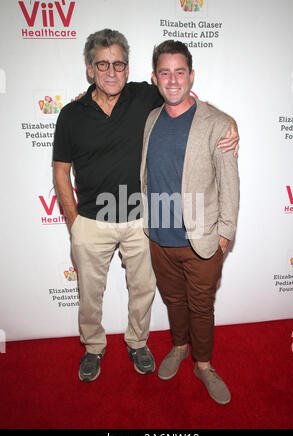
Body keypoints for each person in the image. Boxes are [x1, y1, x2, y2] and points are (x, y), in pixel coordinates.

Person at [53, 29, 239, 383]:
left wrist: (230, 123)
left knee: (143, 291)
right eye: (103, 64)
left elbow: (190, 102)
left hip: (141, 221)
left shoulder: (144, 95)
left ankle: (138, 342)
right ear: (90, 69)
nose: (112, 72)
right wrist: (75, 222)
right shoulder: (71, 114)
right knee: (90, 295)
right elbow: (61, 172)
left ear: (128, 67)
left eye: (119, 64)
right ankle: (93, 347)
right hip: (92, 222)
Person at [140, 40, 240, 405]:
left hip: (201, 241)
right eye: (164, 73)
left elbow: (230, 183)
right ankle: (179, 347)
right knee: (173, 300)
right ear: (154, 78)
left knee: (202, 307)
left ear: (191, 76)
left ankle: (203, 365)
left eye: (179, 72)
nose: (172, 79)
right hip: (158, 237)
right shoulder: (151, 119)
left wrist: (225, 234)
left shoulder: (218, 124)